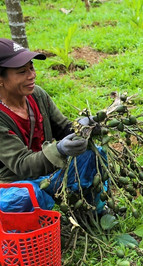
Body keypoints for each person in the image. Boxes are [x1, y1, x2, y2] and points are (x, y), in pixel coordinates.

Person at [0, 38, 101, 212]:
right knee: (24, 196)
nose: (32, 75)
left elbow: (63, 129)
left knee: (93, 153)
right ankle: (25, 231)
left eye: (31, 67)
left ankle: (91, 210)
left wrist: (87, 127)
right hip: (15, 184)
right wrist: (59, 149)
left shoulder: (37, 95)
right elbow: (22, 165)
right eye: (22, 72)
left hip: (48, 174)